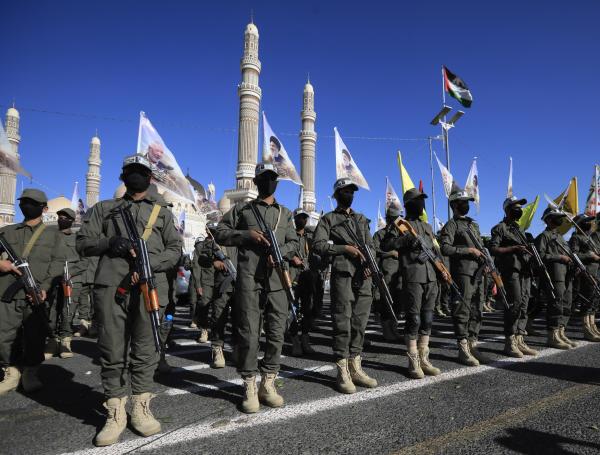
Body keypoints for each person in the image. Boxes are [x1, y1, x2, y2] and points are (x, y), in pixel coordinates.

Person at [77, 156, 182, 446]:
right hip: (111, 286)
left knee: (146, 350)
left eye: (142, 173)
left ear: (150, 178)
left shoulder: (161, 212)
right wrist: (108, 244)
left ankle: (140, 406)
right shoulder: (105, 209)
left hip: (149, 286)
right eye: (130, 173)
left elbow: (175, 249)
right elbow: (83, 242)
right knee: (112, 349)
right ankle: (115, 411)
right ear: (123, 177)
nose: (136, 178)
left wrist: (150, 264)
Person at [215, 163, 298, 413]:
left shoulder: (285, 213)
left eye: (272, 178)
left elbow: (294, 242)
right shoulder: (243, 209)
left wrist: (280, 253)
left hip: (277, 280)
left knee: (276, 333)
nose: (268, 182)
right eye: (263, 178)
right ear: (256, 181)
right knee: (249, 333)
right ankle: (249, 384)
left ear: (276, 182)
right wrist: (247, 236)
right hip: (250, 279)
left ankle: (268, 382)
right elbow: (220, 232)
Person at [313, 178, 378, 394]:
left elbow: (371, 246)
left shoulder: (361, 219)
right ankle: (342, 371)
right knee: (343, 322)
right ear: (337, 194)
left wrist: (370, 262)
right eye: (345, 191)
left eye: (351, 191)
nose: (348, 194)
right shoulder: (329, 219)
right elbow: (319, 245)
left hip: (364, 276)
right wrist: (344, 249)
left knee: (360, 322)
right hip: (343, 275)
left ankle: (355, 366)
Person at [0, 189, 66, 395]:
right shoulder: (7, 232)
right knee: (3, 334)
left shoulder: (53, 234)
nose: (27, 205)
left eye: (33, 203)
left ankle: (30, 371)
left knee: (35, 335)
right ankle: (10, 370)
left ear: (44, 208)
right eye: (25, 202)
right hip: (7, 292)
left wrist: (45, 288)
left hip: (36, 293)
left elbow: (57, 264)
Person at [382, 188, 440, 379]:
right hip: (413, 276)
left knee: (428, 318)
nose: (421, 204)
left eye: (422, 200)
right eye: (417, 201)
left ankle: (424, 358)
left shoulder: (428, 227)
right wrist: (406, 240)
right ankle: (413, 359)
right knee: (413, 319)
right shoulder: (400, 224)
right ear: (408, 205)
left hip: (431, 276)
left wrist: (440, 266)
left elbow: (435, 249)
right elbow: (386, 244)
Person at [440, 189, 488, 366]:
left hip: (479, 272)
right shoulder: (452, 225)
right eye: (463, 202)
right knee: (463, 308)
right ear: (453, 205)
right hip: (463, 273)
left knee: (477, 307)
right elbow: (445, 248)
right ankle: (463, 347)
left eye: (468, 201)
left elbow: (481, 247)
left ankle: (473, 343)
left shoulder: (472, 224)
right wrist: (468, 250)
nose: (466, 204)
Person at [489, 196, 538, 357]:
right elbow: (493, 249)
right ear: (508, 209)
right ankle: (509, 341)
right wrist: (513, 248)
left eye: (520, 207)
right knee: (515, 304)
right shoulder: (499, 228)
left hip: (525, 271)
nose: (519, 209)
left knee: (524, 305)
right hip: (511, 271)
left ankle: (519, 338)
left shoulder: (520, 229)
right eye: (515, 206)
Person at [45, 208, 89, 360]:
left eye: (65, 217)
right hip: (51, 279)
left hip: (71, 279)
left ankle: (65, 341)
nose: (61, 219)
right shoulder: (50, 236)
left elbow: (85, 261)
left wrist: (71, 272)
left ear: (71, 220)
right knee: (50, 311)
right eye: (60, 217)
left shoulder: (78, 239)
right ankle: (52, 340)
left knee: (67, 311)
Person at [535, 207, 576, 350]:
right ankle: (552, 336)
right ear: (548, 219)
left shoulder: (560, 237)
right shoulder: (544, 236)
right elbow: (539, 257)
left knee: (566, 304)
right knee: (556, 305)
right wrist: (559, 257)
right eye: (556, 217)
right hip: (554, 275)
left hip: (566, 275)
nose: (560, 219)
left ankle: (560, 332)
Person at [208, 223, 237, 369]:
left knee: (240, 319)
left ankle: (237, 348)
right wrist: (215, 261)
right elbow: (203, 258)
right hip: (223, 285)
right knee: (219, 317)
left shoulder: (240, 239)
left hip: (240, 285)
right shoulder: (217, 241)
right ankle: (217, 349)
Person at [288, 209, 317, 356]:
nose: (303, 220)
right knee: (293, 311)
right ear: (295, 218)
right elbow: (283, 249)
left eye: (305, 218)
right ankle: (295, 341)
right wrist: (292, 257)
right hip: (293, 277)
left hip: (307, 277)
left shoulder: (310, 237)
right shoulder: (289, 234)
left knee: (308, 310)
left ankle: (305, 339)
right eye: (300, 217)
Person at [372, 207, 402, 342]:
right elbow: (374, 251)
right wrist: (389, 253)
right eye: (393, 218)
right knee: (386, 301)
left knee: (398, 301)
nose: (396, 221)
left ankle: (394, 327)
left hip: (400, 273)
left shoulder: (402, 234)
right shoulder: (379, 234)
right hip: (386, 272)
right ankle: (386, 329)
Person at [569, 214, 600, 341]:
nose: (589, 223)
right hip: (587, 272)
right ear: (579, 224)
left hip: (596, 271)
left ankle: (593, 326)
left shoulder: (589, 237)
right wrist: (590, 255)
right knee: (587, 300)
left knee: (594, 300)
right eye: (586, 221)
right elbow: (574, 255)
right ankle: (587, 329)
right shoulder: (576, 237)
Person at [192, 234, 215, 342]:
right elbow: (196, 265)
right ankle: (204, 330)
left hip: (222, 280)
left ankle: (216, 333)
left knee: (219, 309)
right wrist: (198, 284)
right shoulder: (201, 246)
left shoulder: (224, 242)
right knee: (203, 306)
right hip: (206, 280)